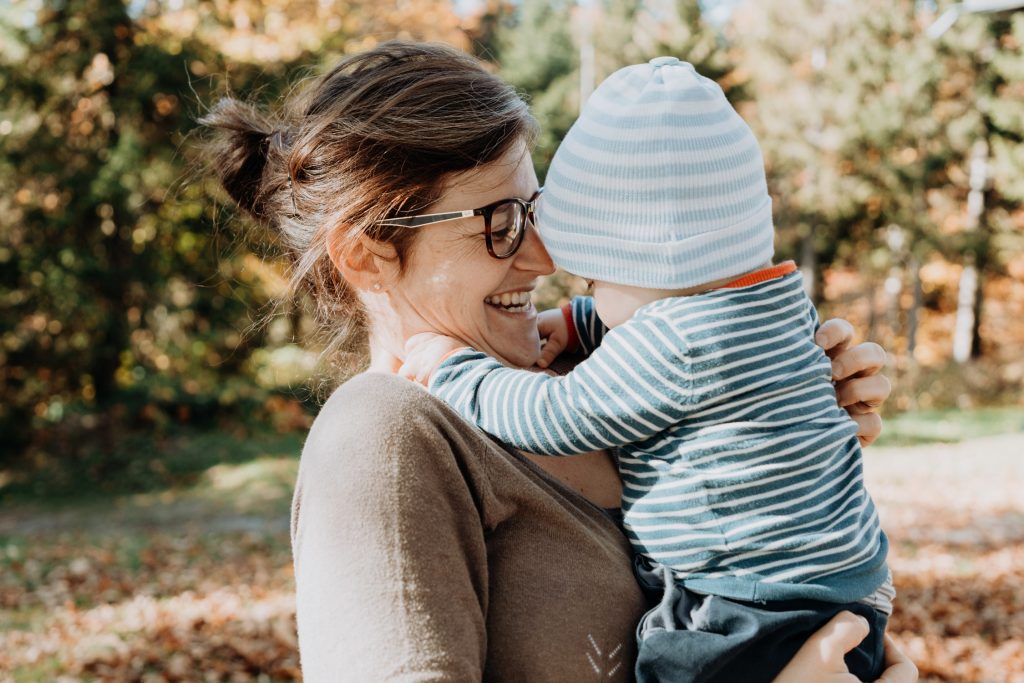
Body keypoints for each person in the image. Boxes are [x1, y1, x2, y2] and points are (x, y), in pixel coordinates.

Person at [199, 40, 916, 682]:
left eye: (536, 210)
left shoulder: (599, 378)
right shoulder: (384, 439)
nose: (546, 257)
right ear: (365, 253)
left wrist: (795, 402)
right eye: (500, 223)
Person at [399, 58, 893, 683]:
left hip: (754, 608)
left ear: (640, 262)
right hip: (844, 584)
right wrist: (582, 322)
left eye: (594, 278)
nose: (570, 280)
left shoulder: (676, 346)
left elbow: (553, 415)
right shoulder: (780, 302)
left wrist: (454, 370)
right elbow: (669, 312)